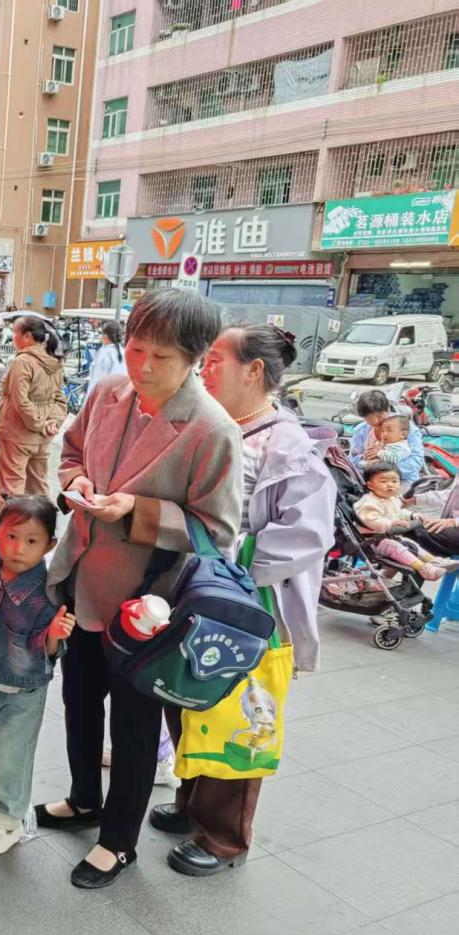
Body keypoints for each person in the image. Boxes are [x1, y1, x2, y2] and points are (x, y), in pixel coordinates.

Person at [35, 288, 242, 889]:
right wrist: (74, 481)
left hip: (148, 606)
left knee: (133, 725)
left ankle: (118, 841)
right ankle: (82, 797)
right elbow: (70, 451)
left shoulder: (211, 429)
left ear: (197, 360)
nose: (142, 367)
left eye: (162, 357)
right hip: (82, 580)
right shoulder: (106, 393)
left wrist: (136, 509)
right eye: (135, 348)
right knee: (77, 702)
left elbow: (217, 531)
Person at [148, 323, 336, 875]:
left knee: (240, 719)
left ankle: (224, 837)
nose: (203, 370)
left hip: (247, 606)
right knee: (192, 699)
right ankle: (191, 806)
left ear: (254, 372)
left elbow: (306, 535)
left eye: (215, 362)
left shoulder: (288, 446)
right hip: (197, 594)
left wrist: (231, 562)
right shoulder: (218, 426)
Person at [0, 495, 74, 855]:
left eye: (31, 541)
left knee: (13, 750)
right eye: (11, 536)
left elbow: (49, 653)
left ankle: (7, 818)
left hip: (24, 689)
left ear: (49, 545)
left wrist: (55, 635)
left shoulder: (48, 591)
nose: (18, 549)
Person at [0, 315, 68, 508]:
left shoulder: (23, 362)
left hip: (18, 433)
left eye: (15, 333)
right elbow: (60, 399)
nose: (13, 338)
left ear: (27, 336)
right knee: (38, 485)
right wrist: (52, 422)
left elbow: (20, 400)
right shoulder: (54, 361)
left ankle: (9, 531)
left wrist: (38, 423)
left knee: (11, 486)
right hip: (42, 437)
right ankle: (43, 530)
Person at [354, 462, 456, 580]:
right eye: (384, 482)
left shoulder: (390, 500)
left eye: (394, 481)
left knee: (412, 545)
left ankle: (434, 561)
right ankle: (423, 568)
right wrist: (391, 523)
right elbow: (371, 519)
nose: (390, 485)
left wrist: (413, 515)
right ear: (371, 485)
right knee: (397, 547)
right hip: (372, 540)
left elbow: (399, 512)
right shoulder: (368, 502)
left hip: (386, 537)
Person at [349, 390, 424, 485]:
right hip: (369, 481)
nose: (375, 421)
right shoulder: (361, 430)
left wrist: (380, 467)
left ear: (388, 409)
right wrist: (364, 457)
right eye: (369, 418)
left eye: (379, 415)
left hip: (400, 480)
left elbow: (415, 462)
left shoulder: (407, 429)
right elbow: (352, 460)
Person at [87, 320, 125, 392]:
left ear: (105, 336)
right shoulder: (124, 353)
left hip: (103, 397)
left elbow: (97, 382)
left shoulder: (104, 354)